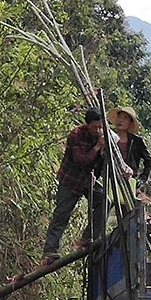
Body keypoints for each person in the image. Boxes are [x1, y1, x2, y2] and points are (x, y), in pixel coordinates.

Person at [40, 107, 108, 267]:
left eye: (100, 126)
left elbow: (99, 164)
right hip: (70, 180)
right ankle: (50, 251)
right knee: (61, 215)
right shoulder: (76, 135)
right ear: (88, 124)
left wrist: (102, 152)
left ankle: (88, 238)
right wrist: (98, 147)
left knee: (104, 201)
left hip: (86, 180)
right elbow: (80, 160)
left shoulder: (104, 137)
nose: (97, 130)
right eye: (94, 127)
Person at [106, 105, 151, 202]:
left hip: (128, 180)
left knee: (127, 211)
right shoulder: (110, 137)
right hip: (110, 178)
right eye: (120, 117)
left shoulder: (137, 141)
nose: (121, 120)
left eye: (125, 118)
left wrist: (141, 180)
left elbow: (149, 161)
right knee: (106, 205)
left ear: (130, 123)